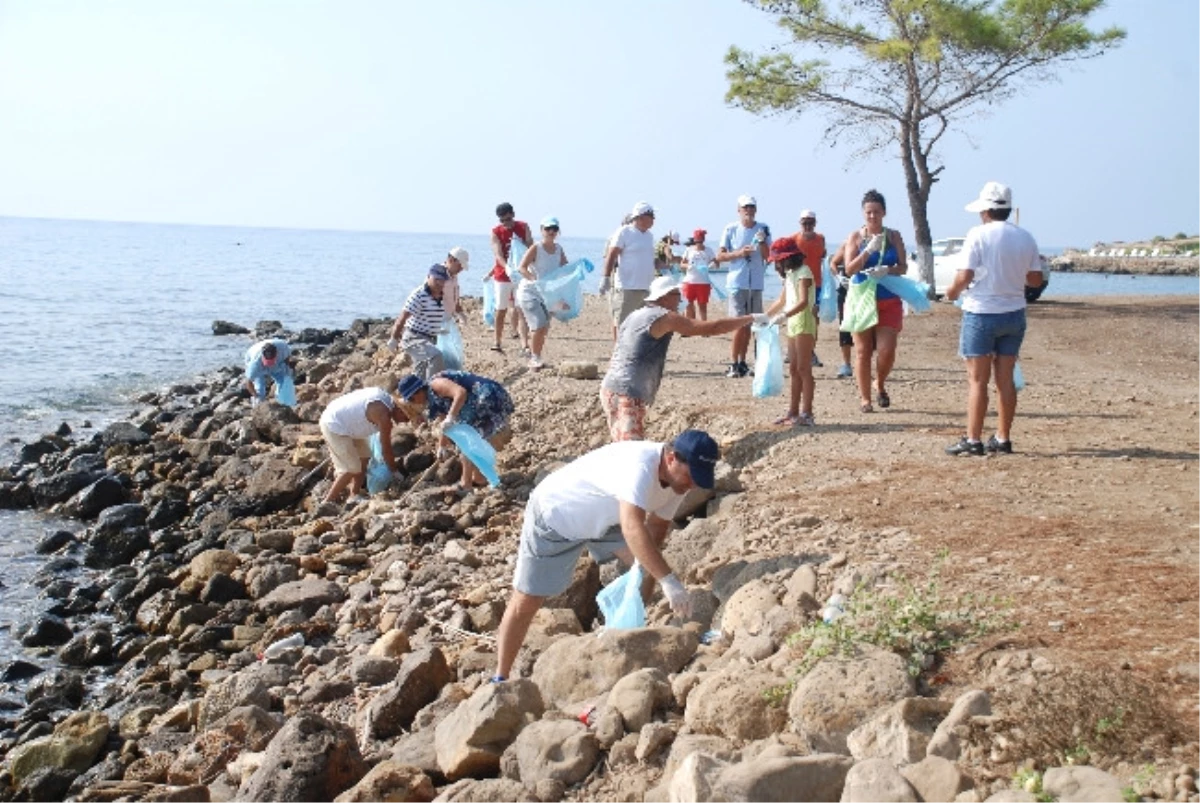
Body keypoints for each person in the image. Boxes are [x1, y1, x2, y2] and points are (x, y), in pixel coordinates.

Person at [492, 429, 720, 681]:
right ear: (671, 458)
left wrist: (649, 578)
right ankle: (500, 678)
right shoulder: (642, 466)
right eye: (691, 476)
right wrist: (668, 580)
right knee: (527, 601)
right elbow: (632, 526)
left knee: (645, 568)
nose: (693, 485)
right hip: (557, 516)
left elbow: (656, 528)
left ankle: (630, 627)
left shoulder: (679, 482)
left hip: (607, 518)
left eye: (699, 479)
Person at [944, 182, 1043, 456]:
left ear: (986, 210)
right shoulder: (1025, 237)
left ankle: (973, 439)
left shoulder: (977, 235)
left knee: (977, 380)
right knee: (1005, 379)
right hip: (1014, 312)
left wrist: (950, 293)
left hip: (982, 312)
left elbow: (964, 277)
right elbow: (1035, 279)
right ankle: (1002, 437)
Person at [600, 276, 761, 441]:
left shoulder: (635, 315)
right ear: (664, 296)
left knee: (621, 445)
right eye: (677, 294)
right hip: (628, 391)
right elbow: (712, 328)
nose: (680, 300)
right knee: (631, 449)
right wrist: (750, 318)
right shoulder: (664, 317)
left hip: (611, 387)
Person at [841, 189, 909, 413]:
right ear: (863, 213)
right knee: (862, 351)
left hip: (888, 298)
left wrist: (887, 269)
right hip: (862, 299)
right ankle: (865, 399)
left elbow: (903, 267)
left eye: (877, 212)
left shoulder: (894, 236)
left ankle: (879, 382)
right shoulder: (855, 237)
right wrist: (867, 251)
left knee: (886, 350)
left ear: (884, 213)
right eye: (869, 212)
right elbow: (849, 269)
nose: (872, 216)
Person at [397, 370, 515, 489]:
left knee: (469, 442)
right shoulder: (432, 401)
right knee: (467, 441)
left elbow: (460, 393)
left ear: (417, 392)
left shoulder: (436, 384)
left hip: (487, 400)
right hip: (474, 410)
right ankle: (479, 478)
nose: (413, 403)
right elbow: (445, 423)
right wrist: (442, 446)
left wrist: (451, 416)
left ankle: (467, 482)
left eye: (411, 399)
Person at [318, 385, 406, 504]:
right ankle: (327, 502)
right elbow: (386, 449)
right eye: (406, 417)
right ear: (400, 410)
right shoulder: (383, 415)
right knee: (351, 468)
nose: (406, 421)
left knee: (364, 457)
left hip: (349, 424)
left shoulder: (386, 402)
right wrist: (395, 472)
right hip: (334, 424)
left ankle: (353, 495)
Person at [715, 195, 771, 377]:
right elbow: (720, 256)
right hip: (737, 283)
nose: (748, 211)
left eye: (751, 207)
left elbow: (767, 256)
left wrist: (762, 242)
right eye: (745, 208)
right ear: (739, 210)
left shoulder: (763, 229)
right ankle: (734, 362)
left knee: (752, 325)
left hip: (755, 283)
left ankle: (744, 362)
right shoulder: (731, 229)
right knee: (738, 323)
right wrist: (740, 253)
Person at [764, 239, 818, 426]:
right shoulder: (790, 275)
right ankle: (792, 412)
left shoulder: (804, 272)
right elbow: (781, 300)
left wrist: (783, 316)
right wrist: (764, 316)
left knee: (804, 369)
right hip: (793, 324)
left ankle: (807, 413)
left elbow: (803, 301)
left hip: (803, 322)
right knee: (794, 369)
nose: (776, 265)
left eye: (778, 261)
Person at [515, 216, 569, 370]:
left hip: (548, 294)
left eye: (554, 229)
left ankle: (536, 355)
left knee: (544, 327)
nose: (551, 232)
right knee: (538, 324)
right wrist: (534, 279)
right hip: (529, 292)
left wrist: (576, 274)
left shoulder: (559, 249)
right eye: (548, 228)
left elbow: (565, 270)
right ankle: (533, 358)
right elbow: (522, 268)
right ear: (542, 230)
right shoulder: (536, 248)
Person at [600, 202, 657, 339]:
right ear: (641, 217)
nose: (654, 219)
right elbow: (612, 254)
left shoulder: (649, 236)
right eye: (651, 216)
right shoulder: (625, 232)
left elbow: (649, 259)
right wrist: (605, 277)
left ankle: (633, 356)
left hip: (646, 288)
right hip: (627, 287)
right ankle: (619, 357)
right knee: (622, 325)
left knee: (640, 326)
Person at [388, 264, 449, 381]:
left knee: (420, 375)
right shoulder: (419, 295)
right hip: (414, 338)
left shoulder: (441, 295)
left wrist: (439, 329)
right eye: (437, 280)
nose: (440, 283)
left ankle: (418, 395)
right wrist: (394, 339)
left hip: (429, 339)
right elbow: (402, 318)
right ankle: (434, 391)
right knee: (436, 356)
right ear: (428, 277)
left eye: (442, 281)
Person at [490, 202, 535, 352]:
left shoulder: (523, 227)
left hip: (521, 274)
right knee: (501, 309)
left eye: (508, 219)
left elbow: (531, 246)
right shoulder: (496, 232)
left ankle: (524, 344)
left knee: (521, 308)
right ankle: (497, 341)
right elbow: (498, 254)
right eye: (502, 220)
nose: (506, 223)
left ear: (513, 215)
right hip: (503, 276)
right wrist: (507, 267)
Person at [791, 210, 827, 368]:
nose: (807, 225)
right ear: (800, 223)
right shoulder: (794, 239)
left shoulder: (820, 239)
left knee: (814, 318)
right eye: (804, 222)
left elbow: (823, 256)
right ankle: (794, 349)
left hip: (817, 284)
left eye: (810, 222)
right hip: (798, 283)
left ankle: (810, 350)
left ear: (815, 223)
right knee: (796, 316)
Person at [243, 338, 293, 406]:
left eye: (271, 361)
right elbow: (248, 382)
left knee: (284, 380)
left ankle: (280, 400)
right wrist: (256, 395)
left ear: (276, 354)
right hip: (253, 357)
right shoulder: (255, 364)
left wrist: (288, 371)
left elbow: (287, 359)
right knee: (260, 388)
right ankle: (258, 404)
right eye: (267, 362)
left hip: (277, 362)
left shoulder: (283, 350)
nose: (269, 364)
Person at [680, 228, 716, 321]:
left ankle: (703, 327)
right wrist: (688, 266)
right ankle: (689, 327)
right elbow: (682, 264)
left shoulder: (709, 250)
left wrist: (712, 265)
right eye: (697, 241)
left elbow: (716, 263)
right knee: (688, 304)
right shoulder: (689, 250)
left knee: (702, 305)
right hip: (689, 282)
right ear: (695, 240)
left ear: (703, 240)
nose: (699, 243)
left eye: (701, 240)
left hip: (703, 282)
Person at [831, 244, 854, 379]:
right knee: (844, 326)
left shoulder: (873, 246)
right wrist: (839, 277)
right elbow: (833, 263)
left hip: (866, 289)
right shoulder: (847, 245)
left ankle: (864, 362)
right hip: (845, 290)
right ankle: (846, 363)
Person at [444, 246, 470, 325]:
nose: (461, 269)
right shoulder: (439, 276)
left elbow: (454, 297)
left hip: (447, 319)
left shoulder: (454, 276)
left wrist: (460, 313)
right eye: (460, 266)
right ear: (451, 260)